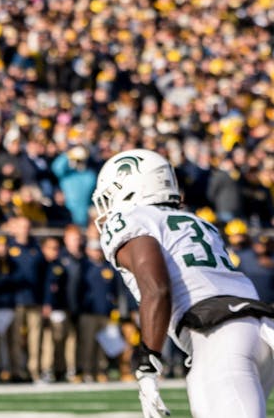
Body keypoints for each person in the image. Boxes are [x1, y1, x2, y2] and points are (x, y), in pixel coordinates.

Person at [93, 148, 274, 418]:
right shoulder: (197, 222)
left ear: (130, 188)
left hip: (218, 335)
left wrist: (147, 361)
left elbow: (157, 289)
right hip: (260, 326)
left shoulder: (132, 219)